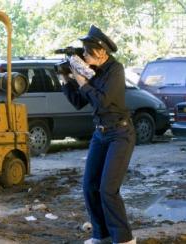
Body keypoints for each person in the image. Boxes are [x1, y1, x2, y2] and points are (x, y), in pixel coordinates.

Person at [61, 25, 136, 244]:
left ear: (100, 52)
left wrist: (83, 81)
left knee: (108, 189)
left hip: (120, 134)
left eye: (86, 52)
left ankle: (124, 239)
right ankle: (101, 235)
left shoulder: (116, 70)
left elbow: (102, 101)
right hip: (101, 134)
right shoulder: (94, 73)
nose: (83, 56)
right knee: (89, 186)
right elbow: (78, 102)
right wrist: (66, 79)